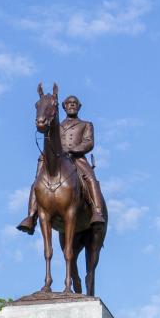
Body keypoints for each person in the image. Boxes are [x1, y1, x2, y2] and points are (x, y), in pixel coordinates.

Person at [17, 94, 106, 235]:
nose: (72, 104)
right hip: (57, 158)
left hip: (77, 158)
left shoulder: (86, 124)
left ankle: (97, 212)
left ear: (79, 106)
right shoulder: (56, 125)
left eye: (75, 103)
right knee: (37, 181)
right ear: (64, 107)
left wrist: (73, 150)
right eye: (69, 103)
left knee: (90, 179)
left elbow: (88, 142)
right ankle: (31, 217)